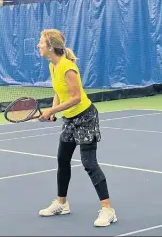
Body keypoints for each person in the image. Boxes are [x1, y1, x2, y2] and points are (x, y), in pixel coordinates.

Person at [36, 29, 117, 227]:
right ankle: (62, 203)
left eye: (41, 43)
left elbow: (76, 98)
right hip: (70, 119)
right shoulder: (53, 66)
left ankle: (108, 210)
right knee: (63, 159)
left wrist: (51, 110)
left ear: (51, 47)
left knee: (89, 163)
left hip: (86, 117)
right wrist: (53, 112)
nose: (39, 45)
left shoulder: (67, 67)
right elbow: (58, 90)